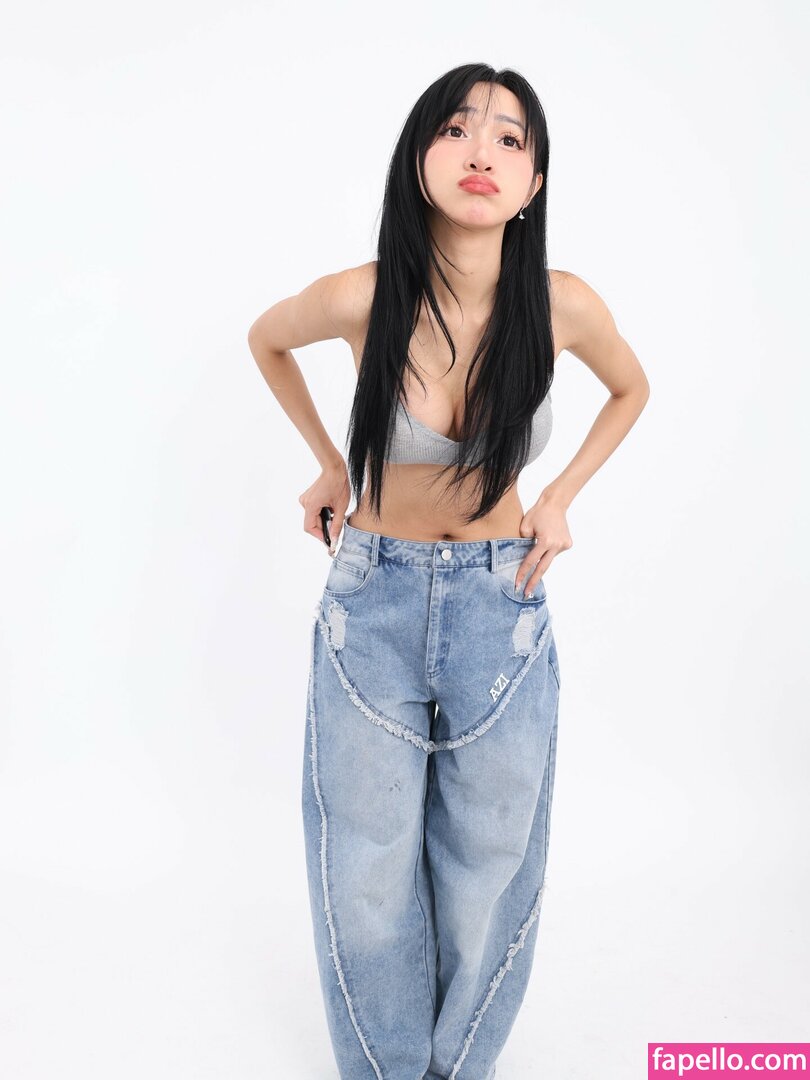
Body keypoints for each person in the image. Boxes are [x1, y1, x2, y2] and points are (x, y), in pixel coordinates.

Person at [248, 62, 650, 1080]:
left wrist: (560, 498)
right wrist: (328, 463)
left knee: (490, 864)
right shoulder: (362, 295)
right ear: (419, 157)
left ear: (534, 182)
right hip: (372, 603)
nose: (482, 151)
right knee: (367, 867)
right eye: (458, 128)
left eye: (510, 138)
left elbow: (632, 388)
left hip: (498, 605)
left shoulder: (561, 304)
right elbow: (266, 340)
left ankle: (461, 1066)